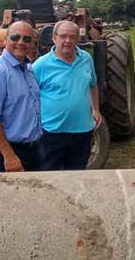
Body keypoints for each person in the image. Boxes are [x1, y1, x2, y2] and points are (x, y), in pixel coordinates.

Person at [33, 20, 103, 170]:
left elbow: (93, 85)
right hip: (52, 133)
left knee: (77, 175)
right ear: (54, 38)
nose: (68, 41)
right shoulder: (40, 65)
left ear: (78, 39)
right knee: (50, 177)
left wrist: (95, 109)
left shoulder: (86, 59)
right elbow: (30, 97)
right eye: (63, 36)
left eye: (72, 37)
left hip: (82, 131)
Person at [0, 21, 43, 172]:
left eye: (27, 39)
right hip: (7, 152)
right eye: (15, 37)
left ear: (33, 43)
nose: (21, 42)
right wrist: (9, 156)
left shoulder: (27, 69)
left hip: (32, 149)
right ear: (5, 40)